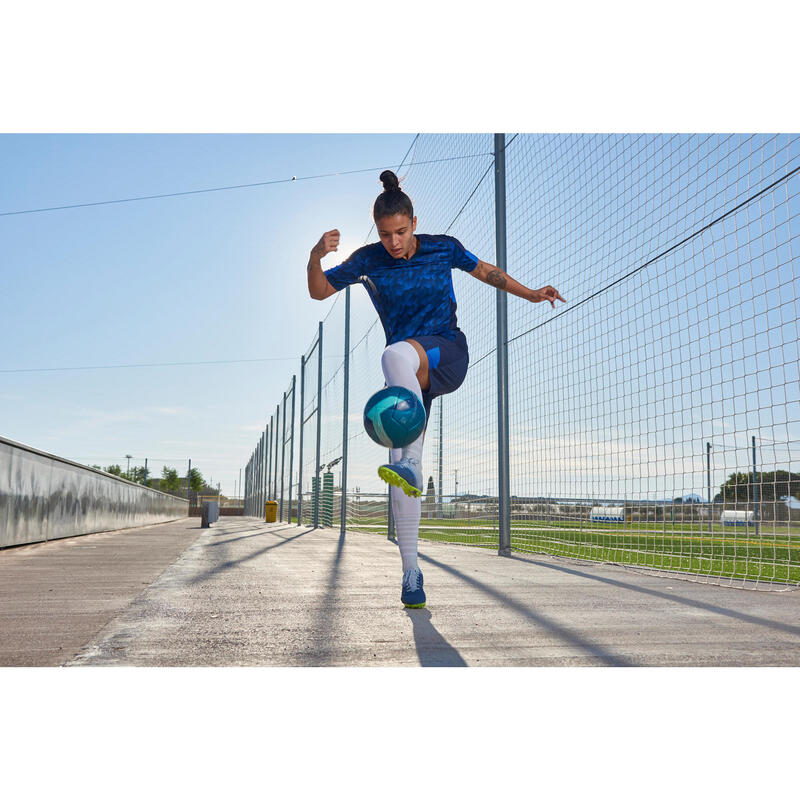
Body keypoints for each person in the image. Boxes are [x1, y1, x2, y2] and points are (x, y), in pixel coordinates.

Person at [307, 170, 565, 608]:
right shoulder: (369, 260)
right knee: (398, 462)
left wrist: (533, 294)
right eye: (386, 234)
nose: (394, 241)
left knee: (393, 356)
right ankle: (411, 572)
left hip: (446, 353)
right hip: (410, 382)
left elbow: (487, 271)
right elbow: (318, 291)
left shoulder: (442, 247)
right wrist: (315, 255)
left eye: (401, 232)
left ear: (413, 222)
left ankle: (409, 462)